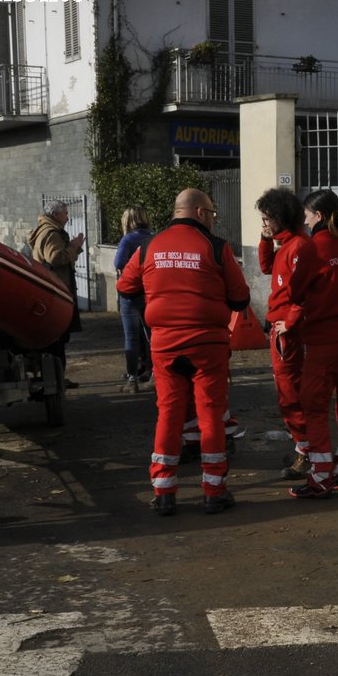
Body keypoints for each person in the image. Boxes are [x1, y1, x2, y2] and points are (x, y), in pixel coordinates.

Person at [116, 189, 250, 516]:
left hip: (165, 345)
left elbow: (124, 286)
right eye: (214, 213)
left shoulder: (149, 246)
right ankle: (214, 493)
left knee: (169, 414)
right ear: (201, 212)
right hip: (207, 345)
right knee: (211, 415)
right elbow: (240, 298)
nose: (215, 219)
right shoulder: (217, 248)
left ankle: (164, 494)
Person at [288, 188, 338, 499]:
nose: (306, 223)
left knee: (315, 407)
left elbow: (295, 293)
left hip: (325, 342)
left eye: (307, 217)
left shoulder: (313, 248)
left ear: (318, 215)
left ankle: (320, 477)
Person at [256, 187, 318, 481]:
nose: (264, 223)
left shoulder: (299, 247)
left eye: (267, 218)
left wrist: (290, 322)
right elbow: (267, 267)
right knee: (286, 393)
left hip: (288, 334)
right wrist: (264, 240)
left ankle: (307, 455)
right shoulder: (286, 244)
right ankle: (303, 449)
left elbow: (303, 291)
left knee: (290, 394)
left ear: (281, 217)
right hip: (281, 331)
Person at [28, 200, 85, 387]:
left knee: (57, 339)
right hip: (56, 291)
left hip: (53, 290)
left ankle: (57, 376)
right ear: (55, 214)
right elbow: (55, 258)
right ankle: (57, 378)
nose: (68, 217)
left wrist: (75, 247)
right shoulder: (51, 233)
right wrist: (74, 245)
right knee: (57, 339)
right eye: (65, 213)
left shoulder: (48, 231)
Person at [114, 205, 153, 393]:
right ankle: (154, 373)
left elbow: (119, 263)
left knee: (131, 337)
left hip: (129, 294)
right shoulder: (154, 238)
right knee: (152, 335)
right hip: (149, 292)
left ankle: (132, 379)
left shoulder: (128, 239)